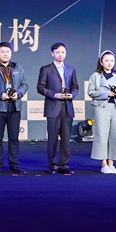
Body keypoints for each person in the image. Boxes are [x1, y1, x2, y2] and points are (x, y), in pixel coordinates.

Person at [0, 42, 29, 175]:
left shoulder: (17, 67)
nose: (5, 54)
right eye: (2, 52)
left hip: (14, 107)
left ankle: (14, 164)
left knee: (14, 138)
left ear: (11, 53)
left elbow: (25, 84)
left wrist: (18, 94)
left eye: (7, 52)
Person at [36, 42, 79, 175]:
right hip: (53, 107)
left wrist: (71, 95)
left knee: (66, 139)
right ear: (52, 53)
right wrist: (54, 94)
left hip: (67, 107)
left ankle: (64, 165)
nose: (61, 55)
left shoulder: (71, 69)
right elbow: (40, 88)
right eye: (58, 52)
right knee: (52, 139)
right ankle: (53, 165)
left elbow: (75, 87)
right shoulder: (46, 69)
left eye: (63, 52)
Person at [87, 50, 116, 174]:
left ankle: (111, 164)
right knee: (101, 135)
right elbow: (91, 92)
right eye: (107, 60)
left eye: (112, 61)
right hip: (101, 108)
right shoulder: (95, 76)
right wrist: (105, 94)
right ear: (101, 62)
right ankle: (104, 164)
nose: (109, 63)